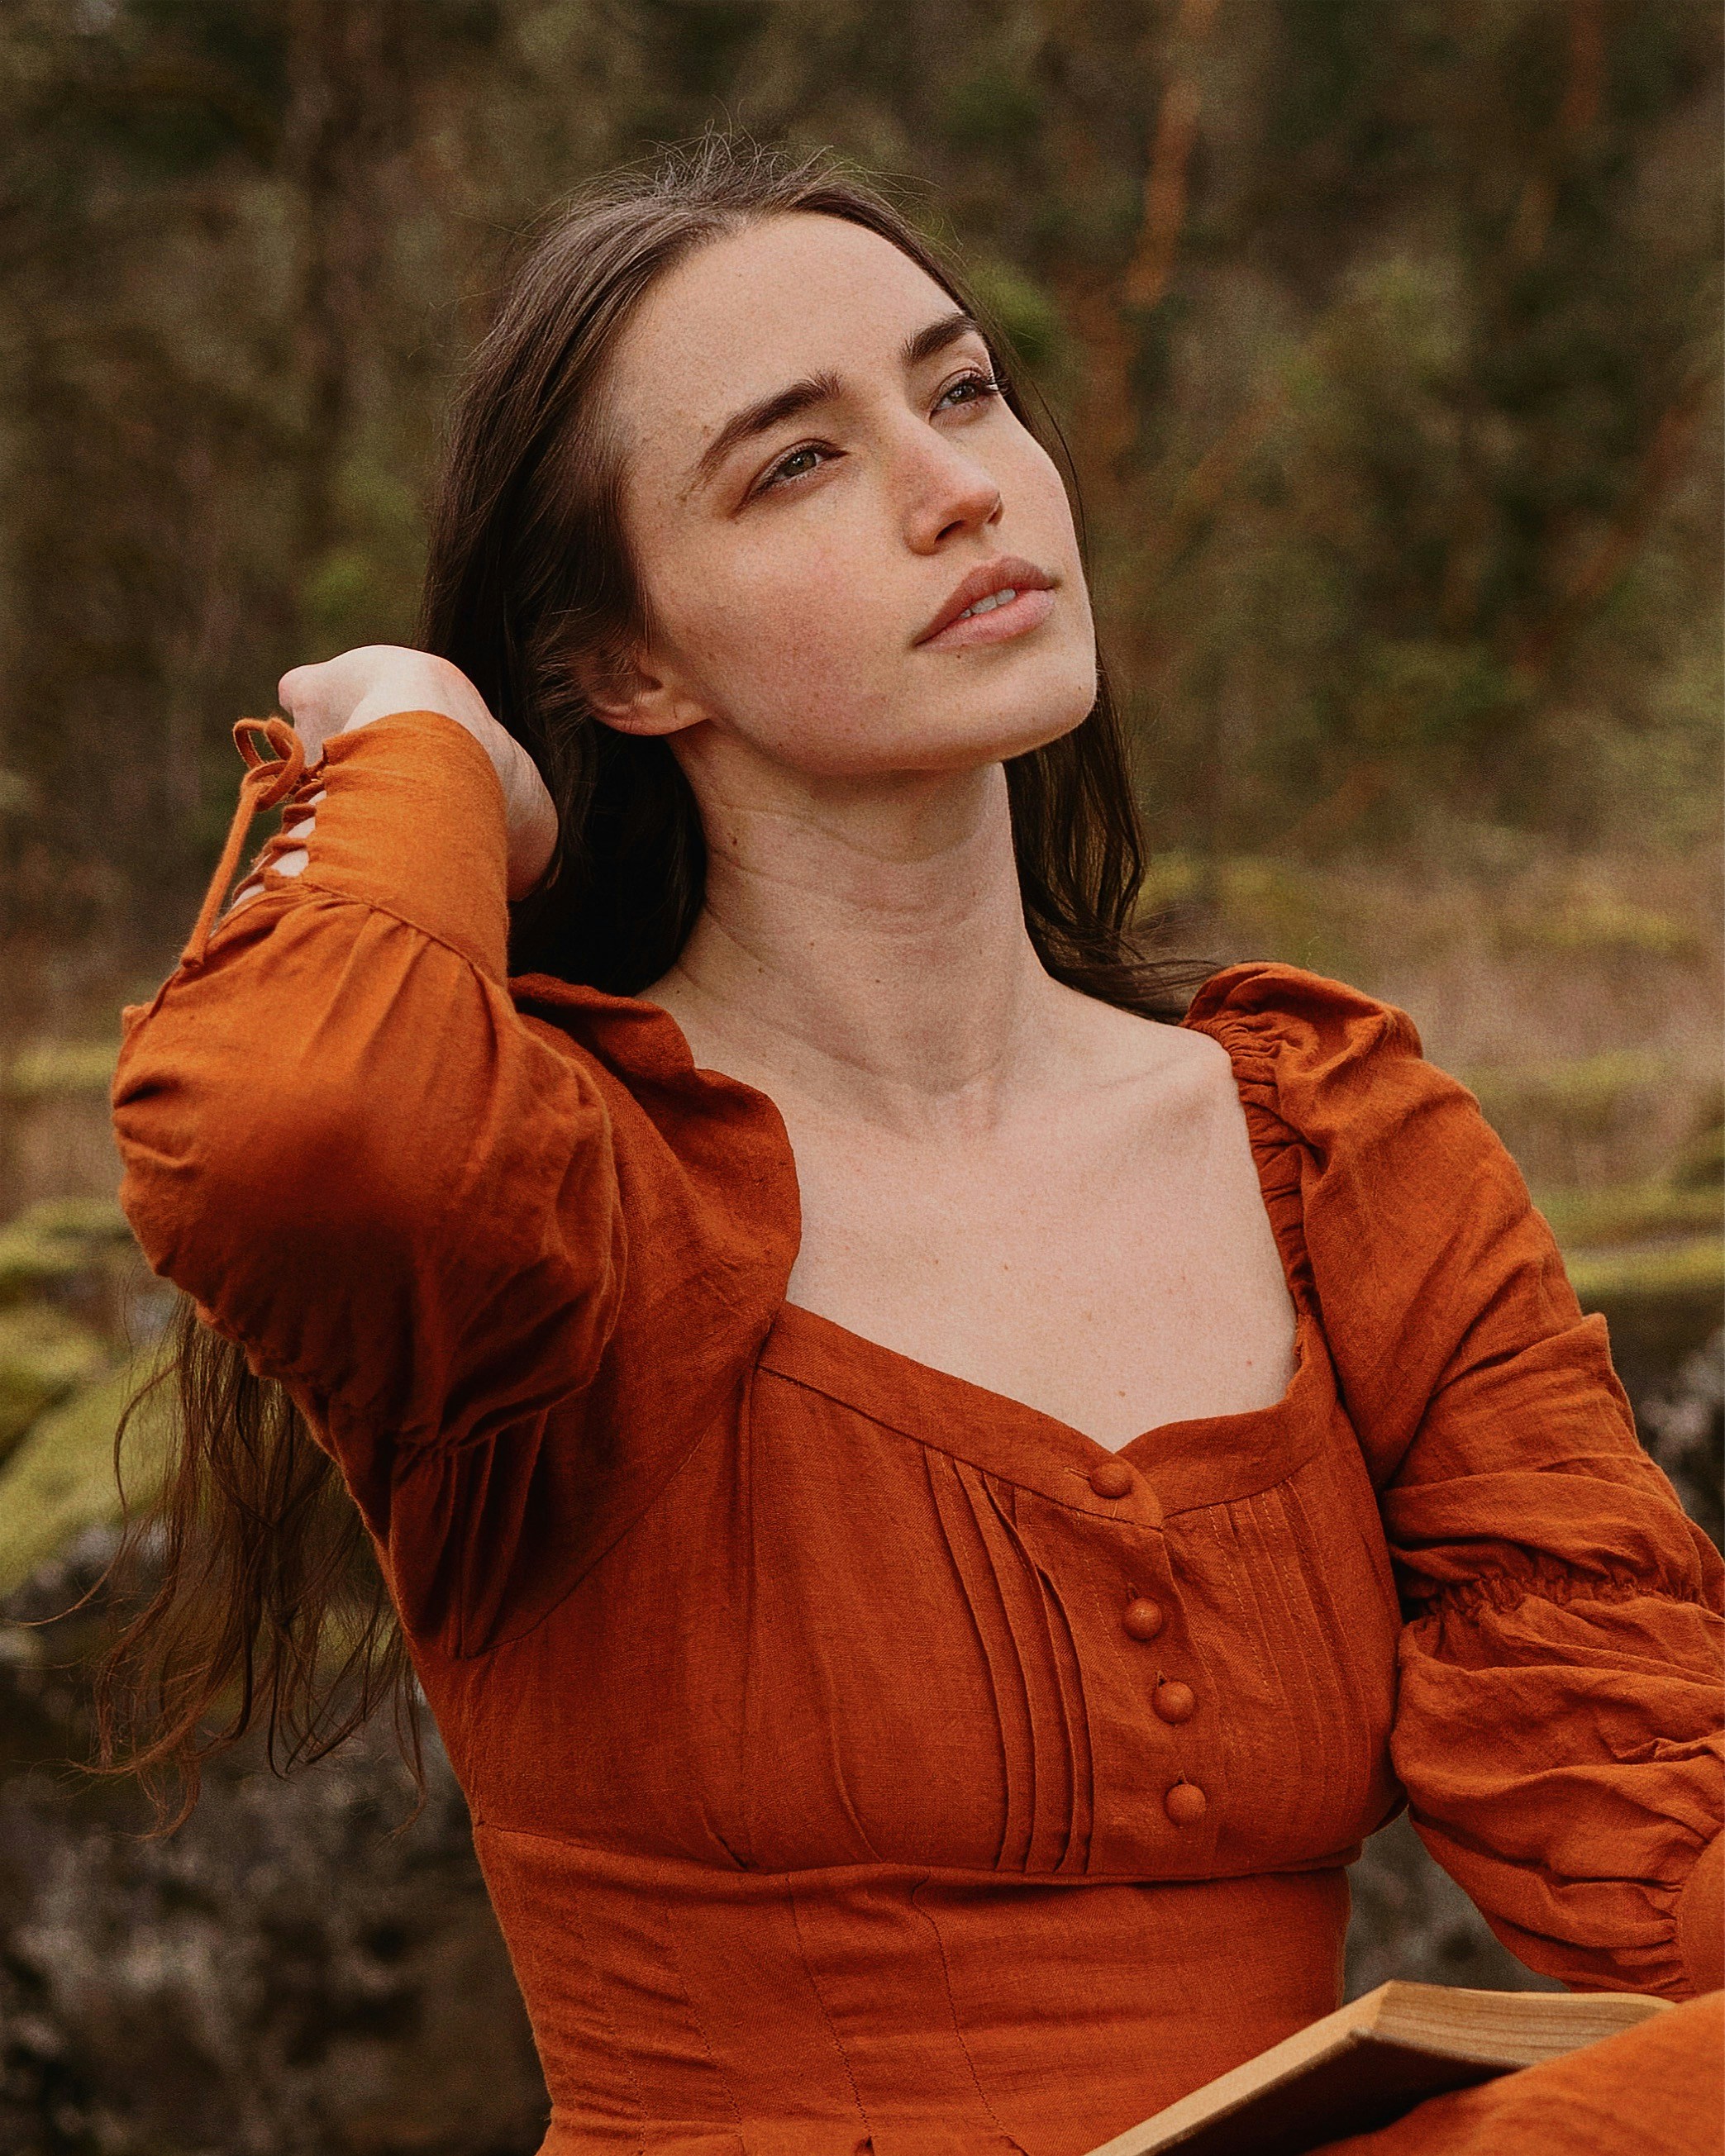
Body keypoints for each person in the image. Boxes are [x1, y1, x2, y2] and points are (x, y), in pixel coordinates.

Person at [105, 138, 1722, 2155]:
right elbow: (285, 1122)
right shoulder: (552, 1195)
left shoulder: (1335, 1140)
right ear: (625, 664)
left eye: (962, 392)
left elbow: (1649, 1810)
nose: (962, 483)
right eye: (796, 461)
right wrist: (415, 742)